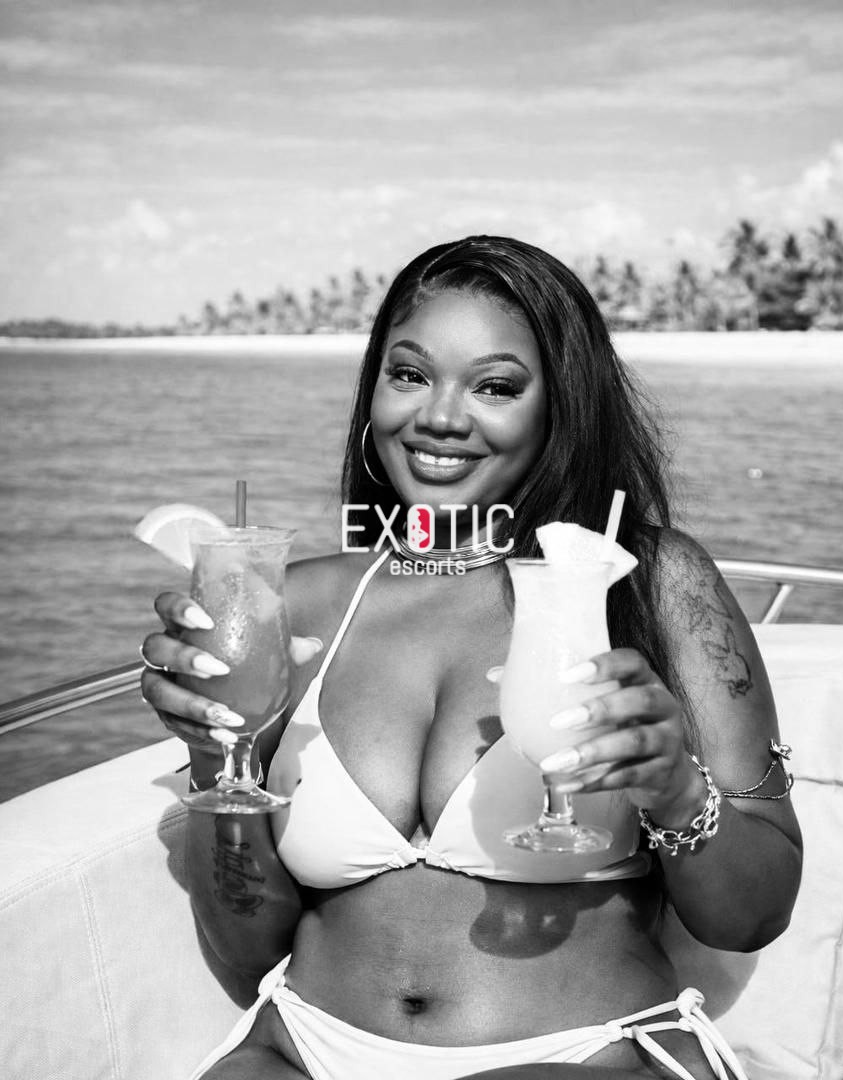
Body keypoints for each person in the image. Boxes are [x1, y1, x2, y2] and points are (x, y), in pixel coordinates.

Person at [140, 235, 802, 1080]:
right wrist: (214, 758)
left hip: (582, 1057)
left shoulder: (647, 582)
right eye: (409, 374)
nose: (441, 418)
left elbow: (753, 915)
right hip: (305, 1050)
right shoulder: (297, 605)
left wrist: (675, 788)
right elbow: (249, 947)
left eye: (495, 387)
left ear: (560, 409)